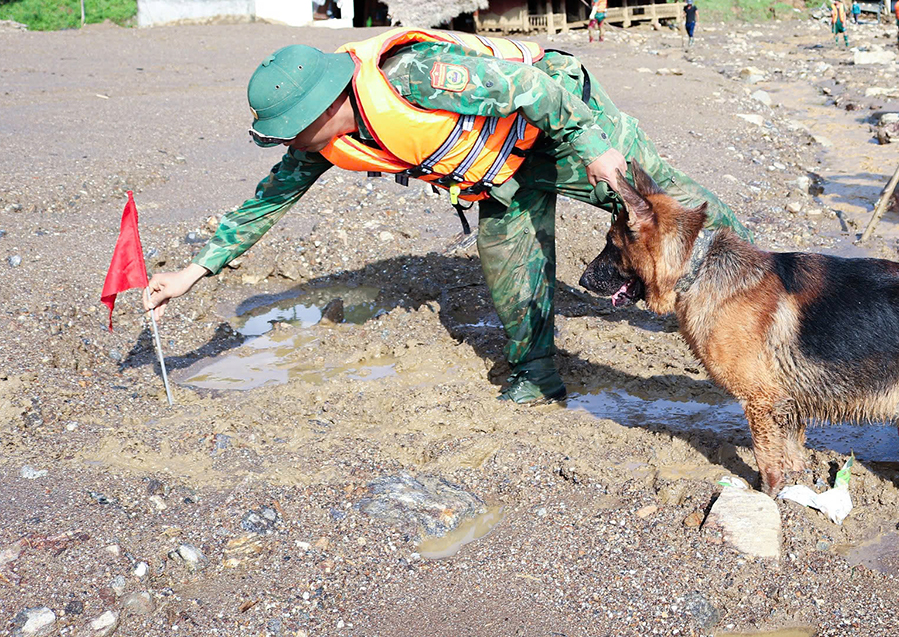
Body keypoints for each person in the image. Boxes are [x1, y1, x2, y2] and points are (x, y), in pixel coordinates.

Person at [142, 29, 751, 404]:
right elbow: (267, 200)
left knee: (683, 215)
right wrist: (194, 273)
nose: (287, 145)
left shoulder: (414, 75)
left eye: (289, 132)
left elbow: (535, 90)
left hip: (564, 130)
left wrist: (596, 147)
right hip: (501, 171)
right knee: (511, 275)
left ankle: (768, 287)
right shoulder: (320, 143)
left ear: (324, 105)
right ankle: (538, 376)